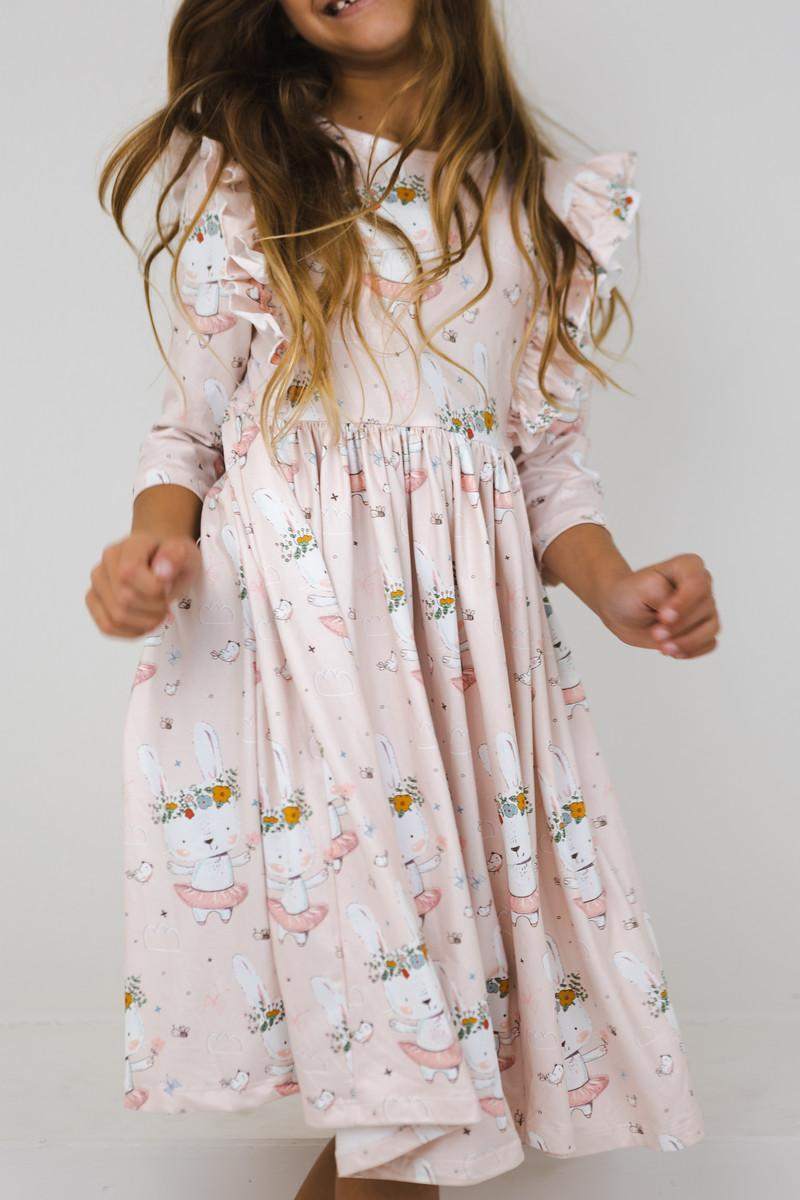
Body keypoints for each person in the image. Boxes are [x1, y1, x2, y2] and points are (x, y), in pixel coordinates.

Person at [87, 1, 719, 1195]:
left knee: (420, 958)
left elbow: (543, 464)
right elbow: (188, 427)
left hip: (459, 654)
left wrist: (618, 588)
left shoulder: (536, 209)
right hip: (292, 624)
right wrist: (151, 545)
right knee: (373, 938)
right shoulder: (252, 180)